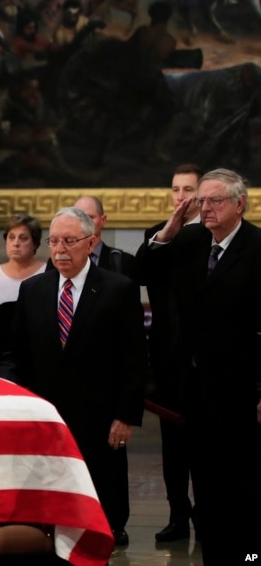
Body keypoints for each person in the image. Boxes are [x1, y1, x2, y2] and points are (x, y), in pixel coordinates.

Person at [136, 168, 261, 564]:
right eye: (201, 200)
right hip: (194, 387)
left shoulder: (257, 246)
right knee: (205, 483)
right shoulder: (190, 240)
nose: (204, 208)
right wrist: (169, 231)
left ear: (239, 204)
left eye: (214, 200)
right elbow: (143, 272)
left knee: (243, 485)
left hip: (242, 389)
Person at [12, 206, 147, 548]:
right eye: (54, 241)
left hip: (101, 415)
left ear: (90, 242)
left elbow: (134, 359)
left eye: (70, 241)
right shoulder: (33, 290)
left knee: (103, 486)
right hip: (48, 414)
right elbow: (19, 356)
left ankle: (108, 530)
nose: (60, 249)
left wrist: (125, 416)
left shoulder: (119, 289)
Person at [135, 163, 202, 543]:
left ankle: (207, 519)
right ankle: (178, 515)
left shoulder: (213, 235)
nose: (181, 197)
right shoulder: (157, 236)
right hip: (166, 360)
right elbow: (140, 274)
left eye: (188, 190)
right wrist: (167, 235)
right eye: (176, 190)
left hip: (204, 360)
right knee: (172, 446)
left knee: (205, 446)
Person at [0, 213, 46, 380]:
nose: (16, 243)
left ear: (35, 243)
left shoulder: (47, 274)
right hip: (2, 358)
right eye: (11, 237)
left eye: (23, 238)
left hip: (39, 354)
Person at [73, 196, 136, 278]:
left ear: (103, 220)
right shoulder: (61, 260)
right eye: (78, 218)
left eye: (89, 217)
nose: (84, 223)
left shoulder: (124, 262)